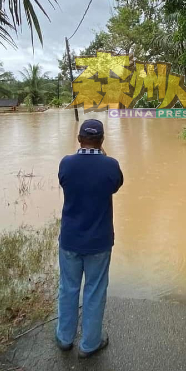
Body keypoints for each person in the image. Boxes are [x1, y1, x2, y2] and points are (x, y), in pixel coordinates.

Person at [55, 118, 124, 358]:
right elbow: (115, 186)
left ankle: (64, 338)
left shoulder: (66, 164)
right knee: (94, 291)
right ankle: (90, 344)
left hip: (70, 239)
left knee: (68, 288)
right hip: (99, 241)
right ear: (102, 140)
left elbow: (64, 182)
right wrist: (102, 156)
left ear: (79, 139)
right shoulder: (111, 165)